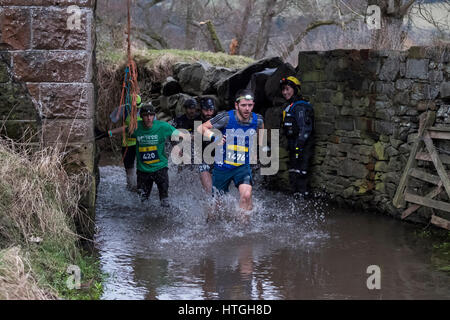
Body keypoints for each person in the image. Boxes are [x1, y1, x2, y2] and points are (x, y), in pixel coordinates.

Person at [105, 103, 190, 207]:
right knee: (143, 203)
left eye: (151, 115)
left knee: (165, 202)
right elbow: (124, 129)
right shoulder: (136, 127)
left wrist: (181, 145)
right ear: (141, 116)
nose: (149, 118)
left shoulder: (163, 126)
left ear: (154, 116)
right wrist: (108, 133)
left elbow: (182, 135)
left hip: (160, 169)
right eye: (146, 115)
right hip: (143, 171)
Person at [198, 89, 264, 216]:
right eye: (243, 105)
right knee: (216, 208)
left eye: (250, 105)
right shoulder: (226, 118)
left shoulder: (258, 119)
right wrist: (214, 137)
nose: (247, 109)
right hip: (222, 167)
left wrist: (258, 148)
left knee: (246, 195)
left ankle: (243, 231)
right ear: (236, 105)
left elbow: (261, 127)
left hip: (242, 167)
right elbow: (201, 128)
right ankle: (210, 229)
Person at [280, 76, 315, 198]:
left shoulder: (301, 106)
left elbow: (305, 128)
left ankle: (304, 200)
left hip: (302, 146)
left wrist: (299, 146)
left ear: (295, 89)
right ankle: (296, 199)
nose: (285, 92)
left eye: (287, 89)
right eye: (283, 90)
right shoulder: (290, 106)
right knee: (294, 173)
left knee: (301, 173)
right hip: (293, 145)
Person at [108, 94, 143, 191]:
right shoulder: (123, 109)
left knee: (143, 167)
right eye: (133, 108)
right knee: (129, 168)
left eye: (137, 108)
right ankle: (131, 187)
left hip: (141, 143)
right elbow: (111, 120)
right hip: (127, 144)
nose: (135, 110)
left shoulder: (146, 111)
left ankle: (141, 187)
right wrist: (109, 132)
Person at [196, 97, 217, 192]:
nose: (208, 113)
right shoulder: (195, 121)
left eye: (211, 110)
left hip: (218, 158)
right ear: (201, 110)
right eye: (205, 110)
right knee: (209, 190)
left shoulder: (220, 120)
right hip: (203, 159)